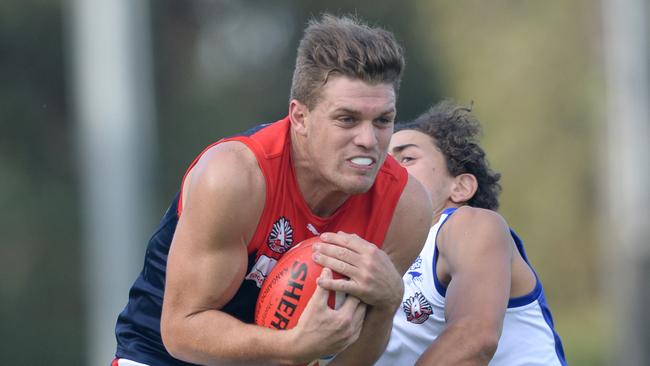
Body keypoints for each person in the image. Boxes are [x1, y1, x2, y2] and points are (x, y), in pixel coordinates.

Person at [112, 14, 433, 366]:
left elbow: (351, 360)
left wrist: (387, 304)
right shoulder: (235, 177)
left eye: (383, 121)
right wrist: (293, 346)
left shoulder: (406, 207)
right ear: (299, 117)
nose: (369, 141)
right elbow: (180, 331)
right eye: (347, 119)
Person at [375, 101, 566, 366]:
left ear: (461, 187)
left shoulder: (470, 224)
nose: (389, 171)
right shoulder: (371, 255)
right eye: (382, 163)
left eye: (407, 158)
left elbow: (474, 339)